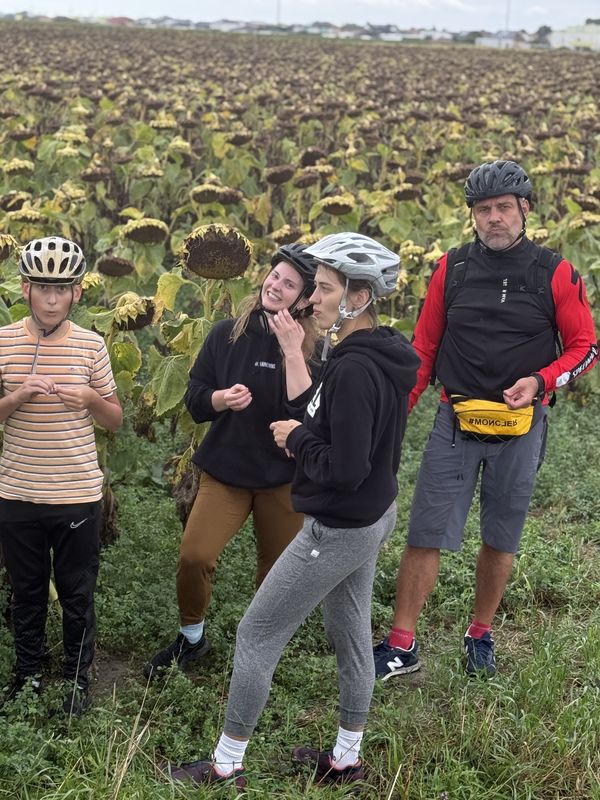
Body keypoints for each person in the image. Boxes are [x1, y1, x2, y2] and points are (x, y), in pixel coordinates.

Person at [163, 232, 420, 792]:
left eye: (324, 289)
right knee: (351, 634)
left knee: (256, 634)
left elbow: (343, 466)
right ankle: (346, 758)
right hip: (375, 516)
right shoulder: (382, 353)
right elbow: (346, 428)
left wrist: (299, 438)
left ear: (357, 297)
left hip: (338, 524)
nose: (314, 299)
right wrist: (306, 419)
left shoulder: (352, 369)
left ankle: (225, 764)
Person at [374, 159, 598, 681]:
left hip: (521, 427)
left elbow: (585, 348)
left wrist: (542, 381)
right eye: (483, 210)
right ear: (472, 216)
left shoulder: (556, 272)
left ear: (524, 210)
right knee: (425, 531)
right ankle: (402, 644)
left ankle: (480, 633)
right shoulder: (451, 268)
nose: (493, 218)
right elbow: (424, 348)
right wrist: (396, 416)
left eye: (503, 208)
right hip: (455, 419)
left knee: (501, 535)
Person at [144, 244, 320, 678]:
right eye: (275, 276)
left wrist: (292, 352)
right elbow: (195, 400)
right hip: (226, 473)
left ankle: (262, 649)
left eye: (289, 284)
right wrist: (219, 399)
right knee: (194, 556)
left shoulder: (313, 350)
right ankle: (192, 639)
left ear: (303, 301)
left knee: (276, 574)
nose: (276, 286)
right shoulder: (227, 333)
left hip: (283, 479)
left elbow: (313, 415)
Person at [0, 236, 123, 715]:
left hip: (75, 493)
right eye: (43, 288)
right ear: (26, 288)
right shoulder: (4, 341)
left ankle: (76, 679)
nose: (52, 299)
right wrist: (17, 397)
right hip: (18, 492)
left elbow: (114, 418)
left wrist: (91, 401)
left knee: (76, 594)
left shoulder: (91, 345)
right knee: (27, 593)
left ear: (77, 293)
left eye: (63, 289)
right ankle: (26, 677)